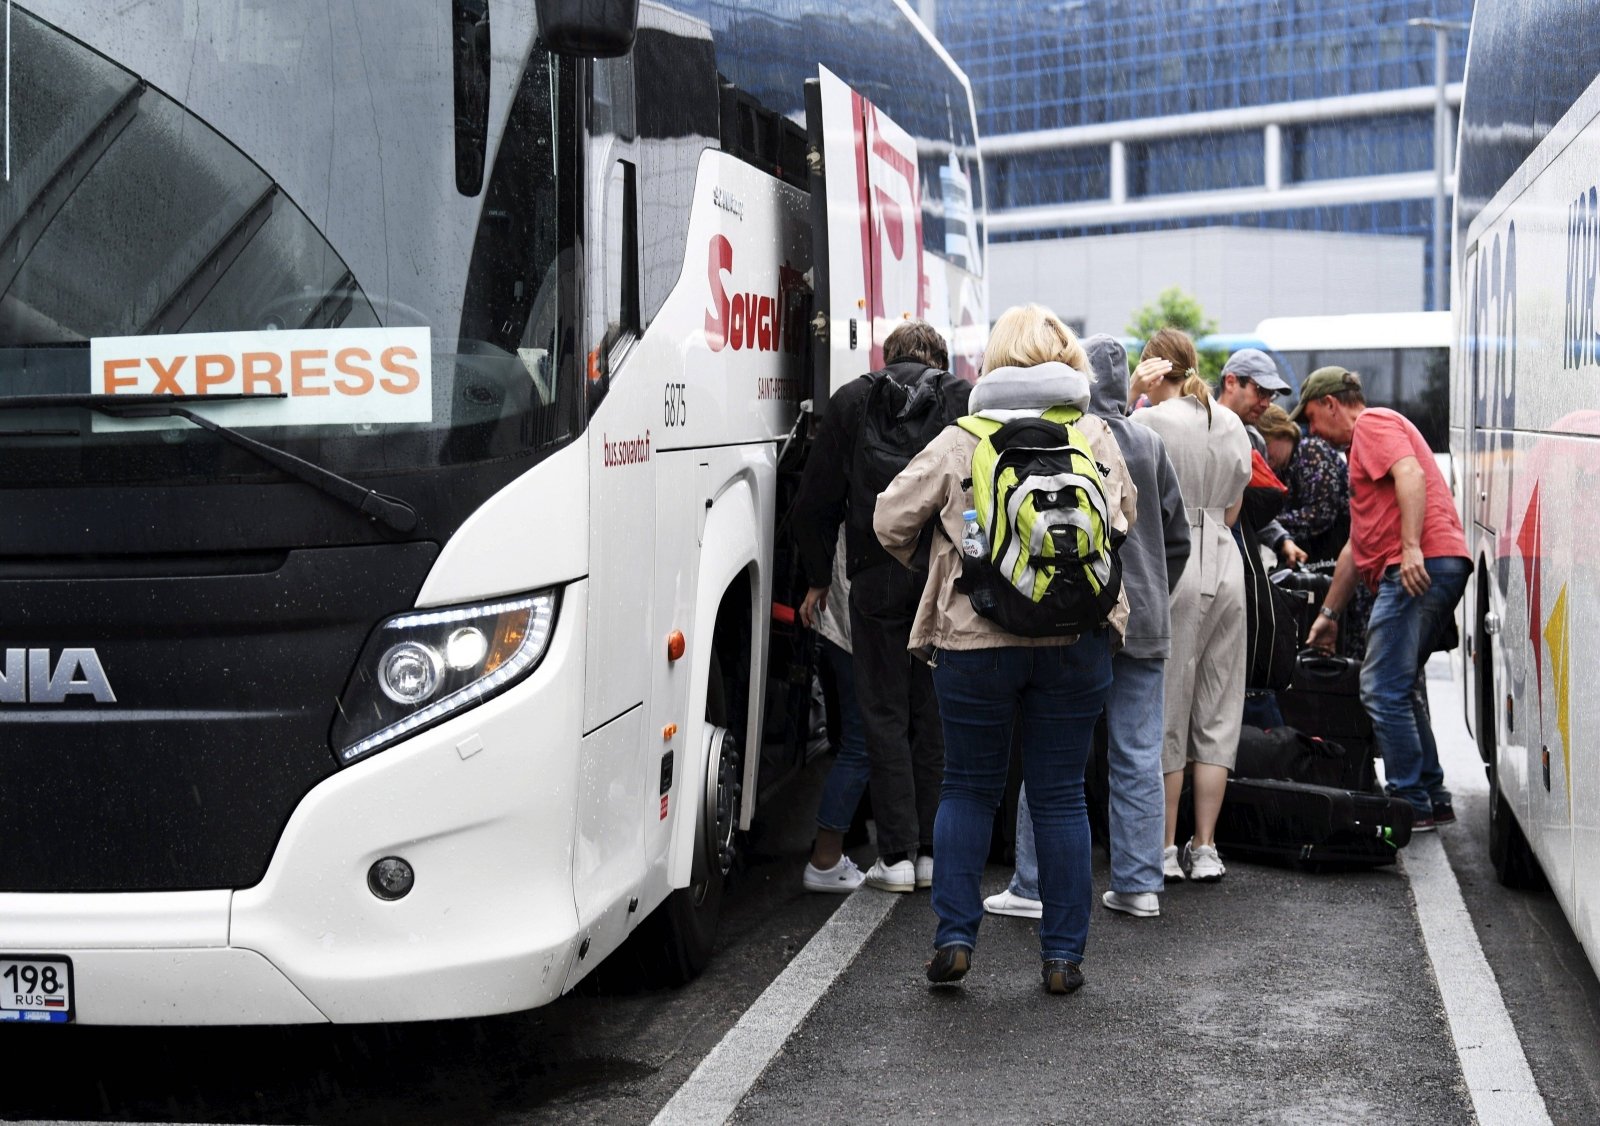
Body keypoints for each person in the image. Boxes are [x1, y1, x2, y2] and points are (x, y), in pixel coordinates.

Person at [874, 304, 1136, 994]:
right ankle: (1062, 957)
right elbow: (1123, 519)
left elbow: (890, 517)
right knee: (1059, 796)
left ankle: (956, 936)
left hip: (973, 638)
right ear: (1065, 357)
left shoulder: (962, 437)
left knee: (967, 788)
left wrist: (940, 560)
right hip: (1076, 639)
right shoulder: (1095, 435)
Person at [985, 333, 1190, 922]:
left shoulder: (1070, 438)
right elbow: (1175, 537)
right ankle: (1139, 883)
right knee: (1139, 752)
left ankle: (1031, 884)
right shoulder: (1148, 443)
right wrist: (1154, 590)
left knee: (1053, 755)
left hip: (1080, 614)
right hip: (1148, 617)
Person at [792, 320, 970, 892]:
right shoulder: (960, 400)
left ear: (886, 356)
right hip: (941, 580)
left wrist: (820, 578)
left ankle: (893, 859)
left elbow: (811, 504)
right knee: (934, 714)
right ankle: (931, 854)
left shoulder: (852, 400)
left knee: (884, 715)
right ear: (938, 358)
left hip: (873, 580)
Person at [1298, 367, 1469, 831]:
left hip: (1418, 564)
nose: (1312, 431)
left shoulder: (1372, 424)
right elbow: (1357, 545)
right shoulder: (1363, 449)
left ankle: (1408, 801)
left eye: (1313, 418)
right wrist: (1329, 614)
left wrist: (1412, 547)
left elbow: (1410, 473)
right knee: (1400, 685)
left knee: (1380, 687)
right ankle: (1431, 794)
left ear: (1333, 403)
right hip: (1432, 561)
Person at [1131, 329, 1252, 882]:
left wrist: (1134, 396)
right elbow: (1231, 512)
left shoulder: (1149, 423)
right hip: (1227, 566)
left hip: (1174, 566)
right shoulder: (1230, 422)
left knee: (1169, 710)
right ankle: (1205, 847)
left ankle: (1161, 846)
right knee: (1219, 709)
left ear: (1155, 368)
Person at [1257, 403, 1374, 657]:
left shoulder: (1310, 452)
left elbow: (1321, 514)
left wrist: (1269, 523)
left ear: (1281, 433)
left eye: (1265, 444)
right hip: (1326, 572)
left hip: (1347, 571)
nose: (1264, 456)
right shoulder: (1285, 468)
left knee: (1352, 653)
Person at [800, 530, 868, 892]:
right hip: (850, 610)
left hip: (844, 603)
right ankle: (825, 858)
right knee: (862, 742)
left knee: (858, 740)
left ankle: (830, 853)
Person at [1212, 348, 1306, 568]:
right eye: (1260, 391)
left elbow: (1253, 509)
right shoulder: (1198, 426)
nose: (1266, 403)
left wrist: (1282, 539)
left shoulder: (1254, 441)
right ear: (1231, 382)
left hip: (1240, 561)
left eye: (1270, 395)